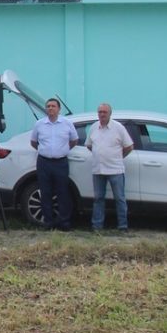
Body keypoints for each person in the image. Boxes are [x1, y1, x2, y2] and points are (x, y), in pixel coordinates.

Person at [29, 97, 77, 231]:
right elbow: (33, 142)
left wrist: (63, 150)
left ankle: (64, 222)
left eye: (53, 106)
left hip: (61, 162)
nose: (50, 108)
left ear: (58, 109)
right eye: (48, 106)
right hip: (44, 162)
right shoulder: (39, 124)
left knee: (63, 192)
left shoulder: (67, 123)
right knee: (45, 192)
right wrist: (44, 150)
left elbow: (74, 140)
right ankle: (48, 222)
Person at [85, 102, 133, 232]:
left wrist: (117, 157)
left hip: (115, 169)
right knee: (98, 199)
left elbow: (129, 146)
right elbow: (89, 145)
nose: (102, 114)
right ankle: (97, 226)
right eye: (100, 112)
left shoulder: (118, 128)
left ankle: (123, 226)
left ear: (110, 113)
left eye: (104, 112)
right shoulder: (94, 127)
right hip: (98, 169)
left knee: (119, 199)